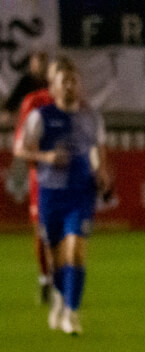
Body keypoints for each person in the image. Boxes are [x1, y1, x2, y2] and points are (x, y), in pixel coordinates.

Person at [14, 57, 111, 337]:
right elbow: (21, 149)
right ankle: (59, 298)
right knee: (56, 259)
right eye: (63, 82)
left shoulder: (91, 117)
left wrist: (101, 172)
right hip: (51, 194)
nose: (69, 86)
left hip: (81, 193)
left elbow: (96, 148)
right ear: (53, 88)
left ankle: (71, 312)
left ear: (79, 86)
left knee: (77, 251)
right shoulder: (40, 117)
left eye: (74, 81)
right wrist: (46, 156)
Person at [12, 58, 56, 305]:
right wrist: (40, 156)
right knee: (42, 230)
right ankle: (44, 279)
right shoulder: (34, 102)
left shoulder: (77, 106)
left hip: (68, 177)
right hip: (41, 175)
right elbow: (20, 144)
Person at [2, 51, 49, 121]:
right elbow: (11, 105)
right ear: (32, 64)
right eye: (37, 61)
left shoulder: (50, 83)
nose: (41, 65)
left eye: (43, 62)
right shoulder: (26, 81)